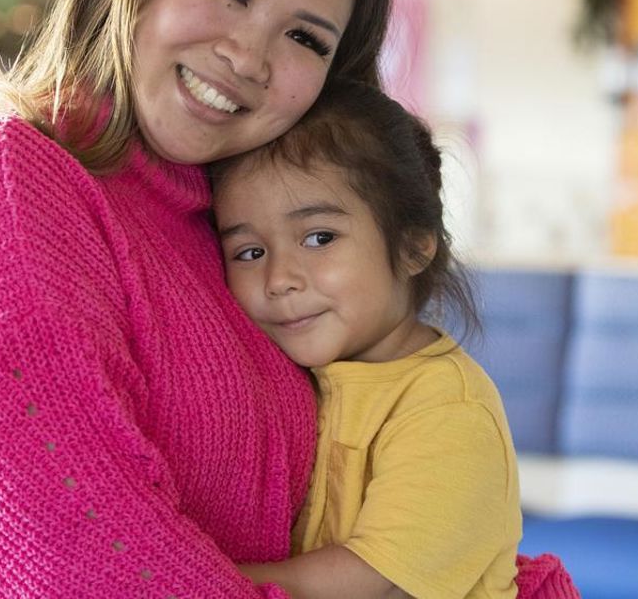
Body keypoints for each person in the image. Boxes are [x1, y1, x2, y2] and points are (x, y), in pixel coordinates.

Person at [0, 0, 393, 598]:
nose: (249, 56)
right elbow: (80, 570)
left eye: (304, 38)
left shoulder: (245, 237)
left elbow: (373, 506)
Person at [210, 82, 523, 599]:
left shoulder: (449, 408)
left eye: (319, 238)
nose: (279, 278)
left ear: (412, 247)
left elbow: (375, 585)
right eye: (248, 252)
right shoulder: (303, 373)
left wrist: (177, 576)